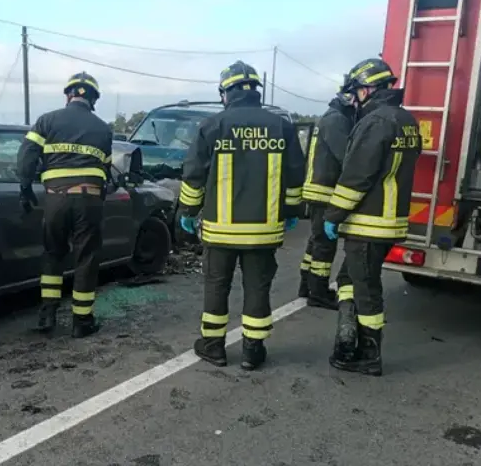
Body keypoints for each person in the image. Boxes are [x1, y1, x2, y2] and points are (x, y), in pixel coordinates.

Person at [178, 60, 306, 370]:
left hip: (219, 230)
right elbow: (295, 174)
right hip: (264, 230)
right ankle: (253, 350)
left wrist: (187, 211)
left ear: (228, 92)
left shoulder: (212, 126)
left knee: (216, 287)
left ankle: (213, 347)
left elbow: (194, 175)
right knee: (257, 288)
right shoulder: (281, 126)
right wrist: (290, 211)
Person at [323, 57, 421, 376]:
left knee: (365, 288)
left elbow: (357, 176)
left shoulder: (376, 121)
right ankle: (347, 339)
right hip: (388, 219)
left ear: (369, 88)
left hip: (368, 221)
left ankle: (368, 354)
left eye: (358, 91)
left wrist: (334, 214)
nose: (356, 97)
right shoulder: (406, 119)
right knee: (348, 279)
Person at [17, 71, 113, 339]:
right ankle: (82, 321)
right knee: (86, 258)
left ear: (68, 95)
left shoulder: (46, 121)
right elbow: (104, 169)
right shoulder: (104, 129)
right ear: (93, 99)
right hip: (89, 199)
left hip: (56, 198)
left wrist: (24, 187)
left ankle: (47, 315)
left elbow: (26, 154)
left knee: (52, 253)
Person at [298, 86, 356, 310]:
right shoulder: (337, 121)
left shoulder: (333, 117)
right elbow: (347, 156)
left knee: (316, 242)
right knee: (324, 245)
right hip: (325, 192)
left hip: (319, 191)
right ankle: (319, 292)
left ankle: (307, 286)